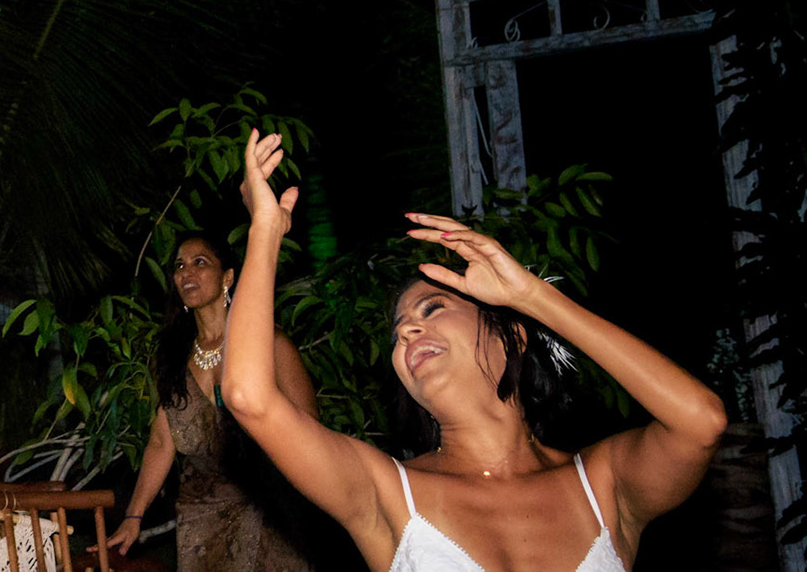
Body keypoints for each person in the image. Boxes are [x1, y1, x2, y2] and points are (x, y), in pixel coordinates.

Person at [222, 130, 728, 571]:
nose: (406, 334)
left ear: (512, 334)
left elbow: (699, 422)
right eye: (398, 330)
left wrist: (533, 297)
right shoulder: (386, 492)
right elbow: (249, 396)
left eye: (432, 309)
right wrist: (265, 231)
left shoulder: (602, 485)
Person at [103, 230, 319, 568]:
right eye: (179, 266)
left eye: (200, 263)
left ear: (227, 277)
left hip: (271, 513)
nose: (186, 273)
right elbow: (161, 442)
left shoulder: (269, 345)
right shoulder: (173, 357)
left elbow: (310, 430)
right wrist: (133, 517)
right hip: (201, 522)